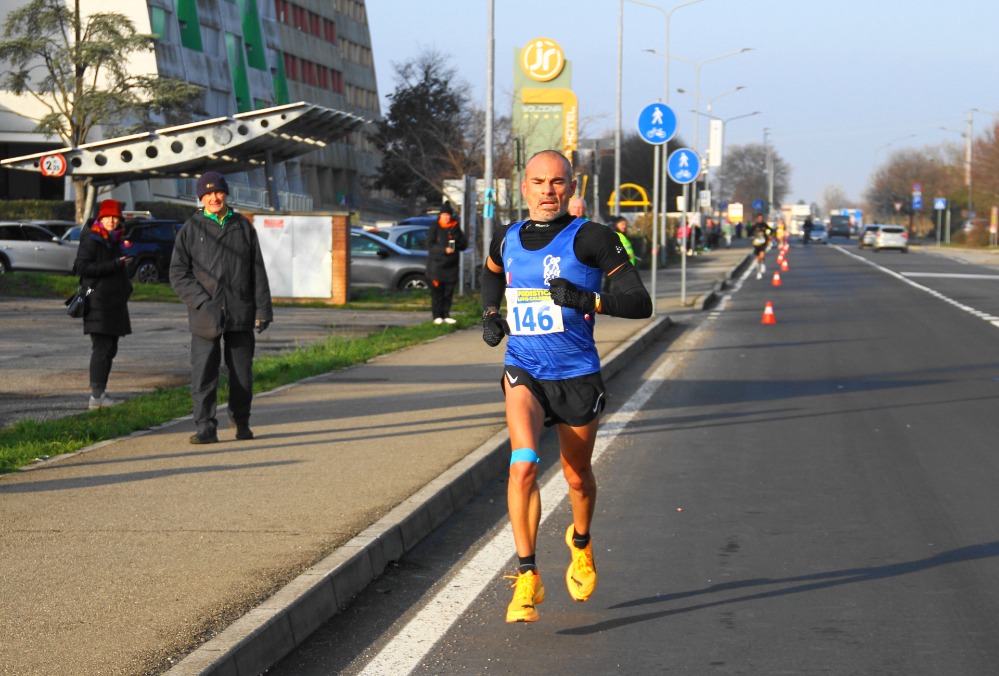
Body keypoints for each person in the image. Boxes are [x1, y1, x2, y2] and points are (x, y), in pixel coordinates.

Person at [480, 150, 652, 623]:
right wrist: (490, 315)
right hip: (524, 369)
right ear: (524, 187)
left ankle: (580, 542)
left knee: (576, 476)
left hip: (576, 374)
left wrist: (587, 298)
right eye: (538, 182)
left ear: (572, 188)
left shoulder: (594, 238)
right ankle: (528, 577)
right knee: (523, 465)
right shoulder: (506, 237)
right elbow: (491, 273)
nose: (547, 191)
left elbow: (640, 303)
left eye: (557, 182)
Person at [169, 171, 273, 444]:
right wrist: (201, 302)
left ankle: (241, 421)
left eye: (218, 192)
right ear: (201, 197)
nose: (213, 198)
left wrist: (263, 310)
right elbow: (178, 273)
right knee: (203, 373)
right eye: (207, 194)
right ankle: (205, 426)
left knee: (242, 374)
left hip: (240, 311)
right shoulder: (191, 228)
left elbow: (257, 271)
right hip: (205, 315)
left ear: (226, 194)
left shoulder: (242, 226)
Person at [73, 199, 132, 409]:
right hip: (97, 302)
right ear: (100, 218)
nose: (112, 221)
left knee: (110, 349)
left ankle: (101, 394)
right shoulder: (92, 239)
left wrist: (126, 286)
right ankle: (96, 397)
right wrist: (114, 264)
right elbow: (81, 267)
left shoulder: (115, 240)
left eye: (116, 217)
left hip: (114, 303)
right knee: (101, 349)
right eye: (108, 217)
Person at [425, 202, 468, 325]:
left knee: (448, 292)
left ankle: (446, 314)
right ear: (440, 215)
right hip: (436, 266)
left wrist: (456, 243)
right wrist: (444, 250)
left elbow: (464, 245)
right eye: (444, 215)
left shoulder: (455, 227)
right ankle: (437, 316)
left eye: (448, 215)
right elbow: (429, 244)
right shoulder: (435, 227)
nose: (446, 217)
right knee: (437, 292)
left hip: (452, 266)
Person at [750, 213, 772, 279]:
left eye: (761, 218)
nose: (760, 219)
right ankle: (758, 271)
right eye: (759, 218)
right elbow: (750, 232)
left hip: (763, 242)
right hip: (756, 243)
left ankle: (763, 264)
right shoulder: (755, 225)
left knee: (762, 255)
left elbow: (770, 230)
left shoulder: (764, 225)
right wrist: (752, 235)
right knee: (758, 258)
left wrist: (769, 235)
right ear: (757, 218)